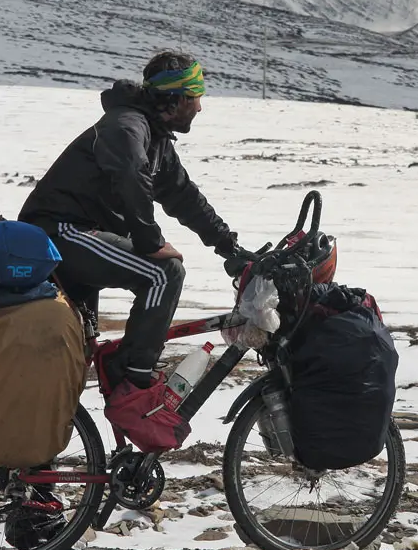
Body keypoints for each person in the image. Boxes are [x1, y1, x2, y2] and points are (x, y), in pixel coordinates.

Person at [18, 50, 253, 402]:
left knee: (74, 358)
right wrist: (149, 241)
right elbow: (132, 176)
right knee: (164, 272)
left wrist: (229, 247)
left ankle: (38, 447)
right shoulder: (126, 126)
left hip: (81, 238)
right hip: (60, 233)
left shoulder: (153, 136)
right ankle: (134, 376)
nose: (200, 108)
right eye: (195, 98)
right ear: (174, 100)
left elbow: (183, 197)